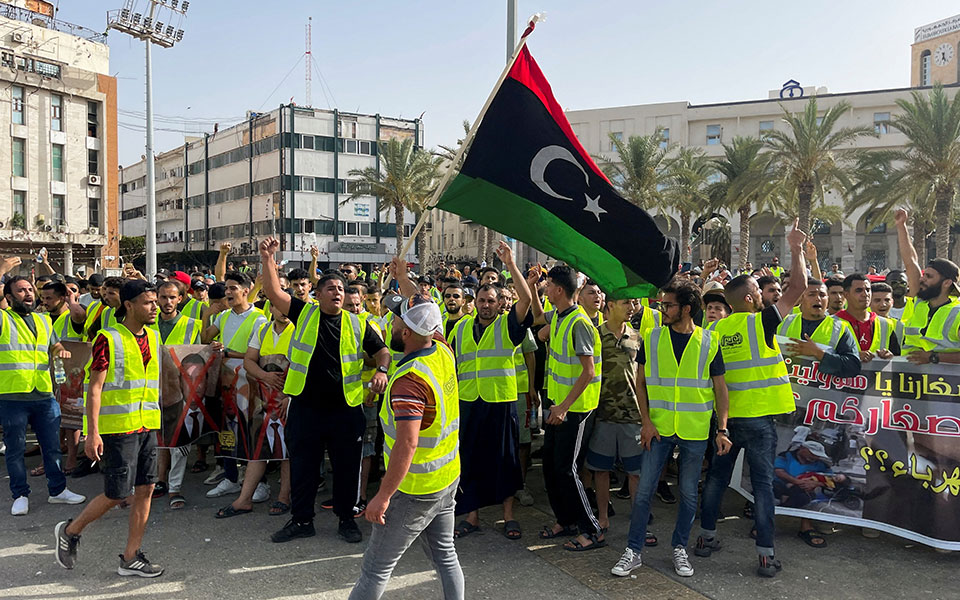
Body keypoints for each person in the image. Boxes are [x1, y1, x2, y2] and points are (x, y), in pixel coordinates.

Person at [259, 237, 390, 544]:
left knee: (346, 469)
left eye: (341, 289)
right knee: (304, 468)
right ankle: (302, 520)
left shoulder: (358, 324)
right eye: (331, 288)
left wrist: (382, 370)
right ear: (317, 294)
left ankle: (347, 519)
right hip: (307, 408)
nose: (337, 293)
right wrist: (267, 259)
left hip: (346, 411)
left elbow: (383, 351)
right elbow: (273, 292)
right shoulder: (303, 313)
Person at [696, 219, 805, 578]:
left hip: (725, 420)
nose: (764, 295)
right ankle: (765, 556)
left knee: (715, 480)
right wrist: (795, 248)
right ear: (748, 298)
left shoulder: (714, 329)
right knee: (761, 486)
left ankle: (706, 538)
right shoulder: (761, 323)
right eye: (759, 290)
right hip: (759, 420)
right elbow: (799, 288)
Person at [612, 279, 730, 578]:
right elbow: (640, 384)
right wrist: (647, 422)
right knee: (643, 493)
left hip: (694, 430)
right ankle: (634, 550)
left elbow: (720, 388)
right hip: (658, 429)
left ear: (686, 308)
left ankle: (679, 547)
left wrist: (723, 428)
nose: (663, 309)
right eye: (663, 304)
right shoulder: (651, 338)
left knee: (689, 494)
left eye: (668, 305)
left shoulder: (709, 341)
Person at [349, 294, 463, 600]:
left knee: (375, 570)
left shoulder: (409, 381)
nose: (390, 323)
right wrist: (403, 280)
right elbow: (426, 313)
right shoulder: (441, 349)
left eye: (396, 320)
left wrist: (382, 497)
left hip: (414, 489)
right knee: (445, 555)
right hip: (447, 478)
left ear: (407, 333)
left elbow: (408, 443)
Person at [55, 280, 164, 577]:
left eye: (155, 302)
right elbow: (94, 389)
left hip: (146, 425)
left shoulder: (154, 338)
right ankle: (71, 530)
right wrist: (92, 433)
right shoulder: (108, 337)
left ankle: (131, 557)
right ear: (128, 305)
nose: (154, 307)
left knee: (146, 489)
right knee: (117, 494)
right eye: (147, 302)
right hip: (117, 428)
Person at [448, 242, 532, 540]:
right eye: (481, 299)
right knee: (470, 459)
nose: (485, 304)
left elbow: (526, 299)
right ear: (475, 302)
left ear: (499, 304)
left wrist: (510, 263)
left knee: (505, 461)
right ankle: (472, 516)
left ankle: (509, 517)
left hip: (500, 402)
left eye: (490, 300)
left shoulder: (508, 327)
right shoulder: (458, 328)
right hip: (469, 402)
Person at [776, 277, 861, 547]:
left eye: (822, 295)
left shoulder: (840, 328)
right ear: (801, 298)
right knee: (773, 463)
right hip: (783, 407)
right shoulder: (785, 322)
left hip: (818, 412)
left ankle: (806, 524)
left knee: (808, 469)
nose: (819, 299)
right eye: (812, 294)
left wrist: (820, 354)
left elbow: (853, 365)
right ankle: (765, 518)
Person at [0, 276, 86, 516]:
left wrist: (61, 351)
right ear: (8, 297)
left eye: (30, 289)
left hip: (43, 393)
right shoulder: (4, 319)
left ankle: (58, 491)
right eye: (20, 290)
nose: (28, 293)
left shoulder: (43, 319)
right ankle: (20, 494)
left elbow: (53, 345)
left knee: (52, 447)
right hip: (12, 395)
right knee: (15, 449)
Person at [535, 265, 604, 551]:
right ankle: (565, 520)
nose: (545, 289)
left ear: (559, 290)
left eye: (548, 285)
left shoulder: (579, 323)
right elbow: (540, 332)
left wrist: (563, 406)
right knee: (551, 465)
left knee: (567, 469)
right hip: (558, 406)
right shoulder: (562, 318)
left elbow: (588, 372)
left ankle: (592, 529)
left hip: (575, 409)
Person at [216, 302, 294, 518]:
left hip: (288, 398)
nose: (283, 311)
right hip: (263, 397)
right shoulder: (262, 330)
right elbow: (250, 360)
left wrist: (292, 396)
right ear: (271, 308)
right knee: (258, 449)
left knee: (288, 450)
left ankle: (283, 497)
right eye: (279, 306)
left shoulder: (299, 331)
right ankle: (244, 499)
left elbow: (306, 366)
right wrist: (264, 375)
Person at [202, 272, 268, 498]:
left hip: (249, 384)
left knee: (252, 432)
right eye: (226, 289)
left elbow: (259, 355)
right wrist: (206, 316)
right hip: (226, 382)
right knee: (227, 430)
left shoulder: (260, 319)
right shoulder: (223, 317)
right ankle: (230, 477)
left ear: (246, 290)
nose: (227, 293)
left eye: (232, 288)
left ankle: (260, 483)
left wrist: (228, 352)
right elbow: (205, 339)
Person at [584, 297, 647, 535]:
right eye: (626, 303)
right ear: (610, 305)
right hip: (603, 415)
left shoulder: (638, 338)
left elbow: (643, 378)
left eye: (633, 303)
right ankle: (602, 516)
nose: (631, 308)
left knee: (635, 473)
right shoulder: (595, 335)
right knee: (601, 470)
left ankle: (638, 519)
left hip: (632, 415)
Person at [151, 280, 202, 507]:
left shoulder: (193, 325)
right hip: (150, 392)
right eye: (163, 297)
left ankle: (175, 488)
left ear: (180, 299)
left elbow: (198, 360)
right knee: (156, 441)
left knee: (180, 443)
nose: (168, 302)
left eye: (172, 297)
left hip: (180, 393)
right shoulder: (146, 325)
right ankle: (158, 481)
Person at [895, 209, 960, 364]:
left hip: (943, 385)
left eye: (929, 277)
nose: (922, 279)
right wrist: (901, 226)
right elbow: (911, 261)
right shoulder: (920, 302)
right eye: (924, 274)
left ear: (946, 283)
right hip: (909, 381)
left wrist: (933, 357)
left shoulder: (957, 313)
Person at [836, 274, 899, 362]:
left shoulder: (885, 324)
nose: (865, 294)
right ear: (846, 294)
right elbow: (822, 357)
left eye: (868, 290)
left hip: (876, 375)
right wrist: (853, 356)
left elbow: (898, 358)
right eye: (859, 290)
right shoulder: (831, 323)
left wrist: (889, 356)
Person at [84, 277, 124, 341]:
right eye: (105, 292)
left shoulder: (133, 312)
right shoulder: (106, 312)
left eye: (111, 294)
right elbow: (91, 332)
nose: (106, 297)